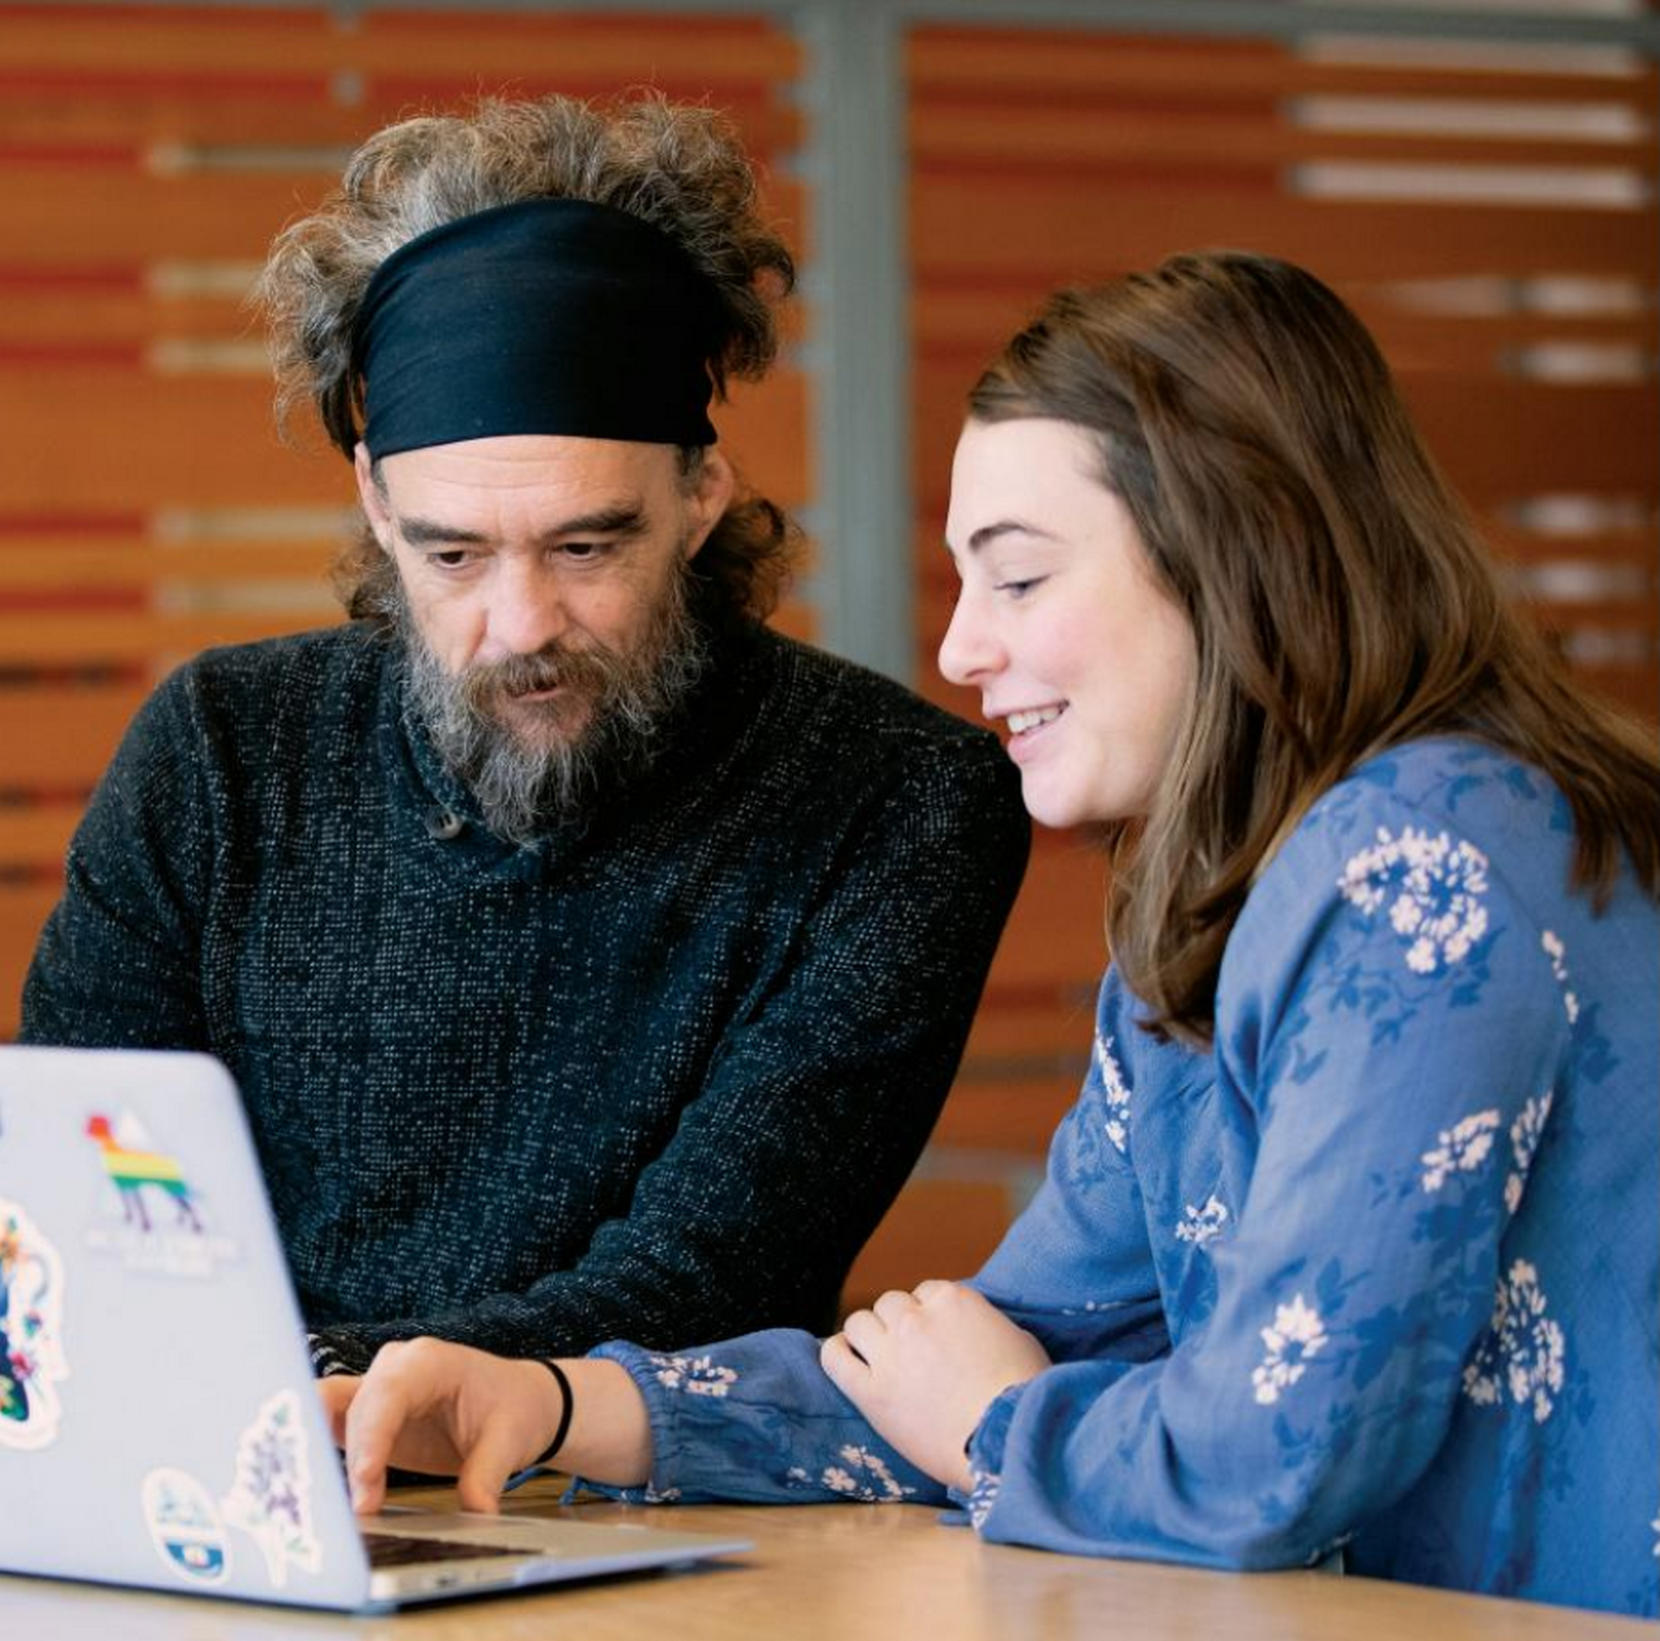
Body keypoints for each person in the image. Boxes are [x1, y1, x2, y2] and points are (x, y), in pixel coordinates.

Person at [322, 251, 1659, 1618]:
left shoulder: (1421, 860)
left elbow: (1267, 1458)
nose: (959, 651)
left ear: (1236, 552)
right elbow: (972, 1366)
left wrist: (992, 1422)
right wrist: (547, 1406)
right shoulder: (1212, 914)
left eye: (1016, 581)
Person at [18, 96, 1030, 1376]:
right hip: (228, 1482)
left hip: (658, 1511)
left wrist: (305, 1389)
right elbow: (77, 1201)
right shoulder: (220, 751)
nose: (521, 624)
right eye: (455, 553)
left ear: (701, 498)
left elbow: (700, 1282)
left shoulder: (894, 801)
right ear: (378, 509)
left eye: (587, 546)